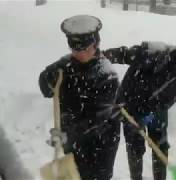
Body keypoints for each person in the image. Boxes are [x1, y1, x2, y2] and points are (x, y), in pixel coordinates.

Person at [103, 36, 176, 180]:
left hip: (157, 108)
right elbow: (125, 54)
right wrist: (101, 57)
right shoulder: (152, 53)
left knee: (161, 146)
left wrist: (147, 117)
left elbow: (169, 100)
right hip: (129, 105)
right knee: (135, 146)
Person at [38, 15, 120, 180]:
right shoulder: (67, 65)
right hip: (73, 142)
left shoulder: (107, 75)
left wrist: (67, 133)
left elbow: (96, 120)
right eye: (75, 50)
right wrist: (48, 77)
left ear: (96, 45)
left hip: (100, 144)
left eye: (84, 49)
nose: (79, 54)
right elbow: (46, 89)